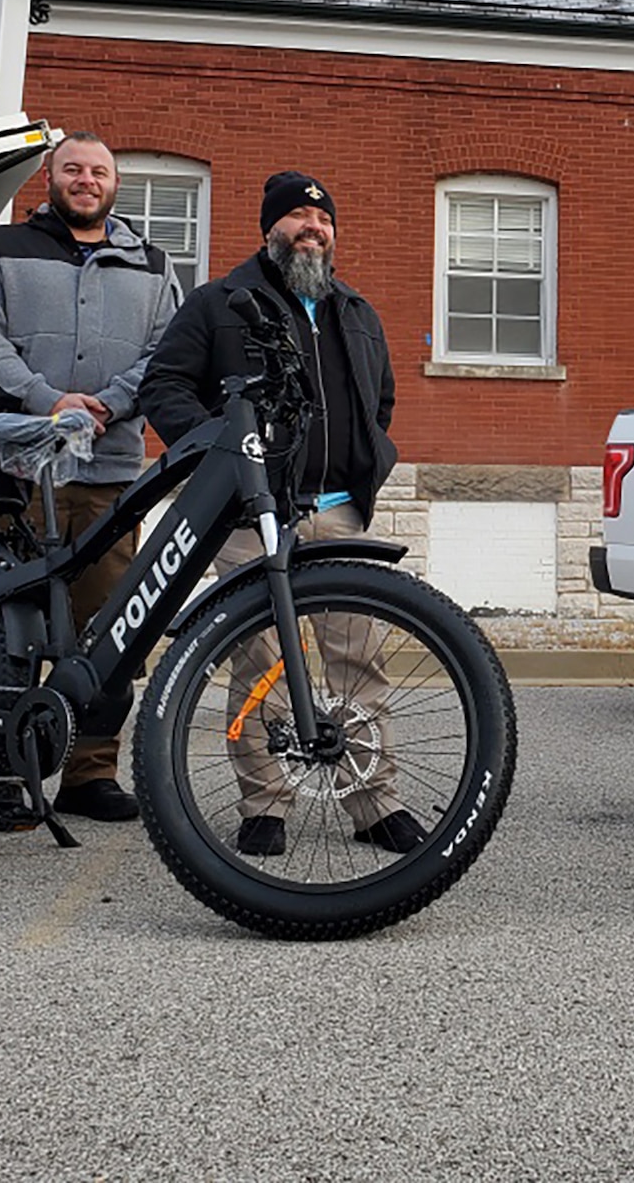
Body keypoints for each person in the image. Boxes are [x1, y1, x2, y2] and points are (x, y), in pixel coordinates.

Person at [138, 170, 418, 858]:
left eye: (322, 220)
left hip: (340, 515)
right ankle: (265, 804)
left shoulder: (356, 310)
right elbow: (163, 387)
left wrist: (367, 458)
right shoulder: (219, 304)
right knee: (259, 664)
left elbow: (378, 401)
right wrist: (221, 454)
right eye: (296, 218)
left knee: (361, 665)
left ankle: (373, 801)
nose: (311, 229)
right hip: (249, 520)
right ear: (269, 230)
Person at [0, 130, 182, 823]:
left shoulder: (152, 263)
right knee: (3, 630)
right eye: (73, 169)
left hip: (108, 475)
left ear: (116, 184)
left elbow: (166, 352)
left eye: (100, 171)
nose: (86, 180)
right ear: (49, 179)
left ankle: (88, 774)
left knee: (108, 630)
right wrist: (46, 401)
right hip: (15, 473)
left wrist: (109, 404)